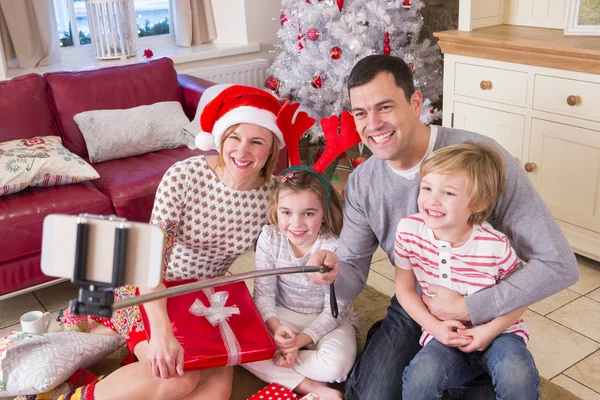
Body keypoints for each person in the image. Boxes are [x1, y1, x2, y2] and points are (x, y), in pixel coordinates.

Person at [310, 54, 578, 399]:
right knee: (374, 394)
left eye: (385, 107)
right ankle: (392, 340)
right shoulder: (363, 182)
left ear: (416, 102)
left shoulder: (481, 157)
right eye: (361, 113)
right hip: (419, 304)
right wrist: (331, 274)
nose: (372, 123)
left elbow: (559, 265)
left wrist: (472, 308)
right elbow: (350, 278)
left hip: (488, 307)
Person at [59, 85, 339, 400]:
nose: (242, 151)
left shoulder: (273, 196)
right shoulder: (184, 176)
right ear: (221, 138)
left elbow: (309, 229)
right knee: (179, 378)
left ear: (271, 149)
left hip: (210, 300)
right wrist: (163, 333)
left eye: (256, 142)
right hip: (151, 290)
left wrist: (328, 254)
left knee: (215, 393)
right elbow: (148, 262)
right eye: (235, 137)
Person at [395, 142, 539, 399]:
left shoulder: (496, 246)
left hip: (499, 334)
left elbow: (521, 297)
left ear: (478, 203)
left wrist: (489, 330)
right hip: (444, 333)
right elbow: (404, 289)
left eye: (448, 193)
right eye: (426, 187)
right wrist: (435, 328)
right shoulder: (408, 231)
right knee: (421, 375)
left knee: (517, 374)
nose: (432, 200)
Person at [243, 168, 357, 400]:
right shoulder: (269, 237)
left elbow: (336, 310)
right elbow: (263, 294)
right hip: (283, 314)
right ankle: (312, 386)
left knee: (337, 367)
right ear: (275, 210)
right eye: (286, 212)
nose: (296, 223)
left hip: (329, 320)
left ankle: (284, 360)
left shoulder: (335, 246)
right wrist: (275, 328)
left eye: (308, 213)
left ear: (324, 213)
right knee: (240, 346)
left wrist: (298, 342)